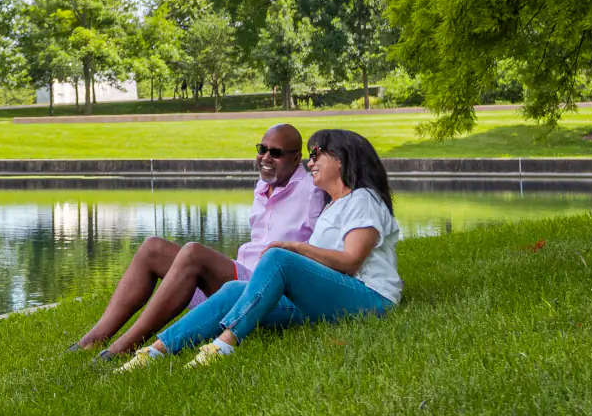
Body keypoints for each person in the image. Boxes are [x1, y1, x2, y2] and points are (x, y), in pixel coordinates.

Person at [117, 127, 402, 371]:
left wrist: (296, 249)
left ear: (341, 159)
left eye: (316, 155)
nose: (310, 162)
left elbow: (352, 261)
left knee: (279, 256)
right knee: (233, 289)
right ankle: (155, 351)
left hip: (370, 298)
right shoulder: (333, 206)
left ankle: (225, 343)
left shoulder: (363, 199)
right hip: (331, 297)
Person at [75, 124, 327, 353]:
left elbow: (325, 249)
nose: (266, 157)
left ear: (297, 158)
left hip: (265, 287)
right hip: (237, 279)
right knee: (152, 248)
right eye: (262, 149)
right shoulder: (263, 186)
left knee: (194, 253)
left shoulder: (312, 191)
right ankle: (91, 340)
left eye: (276, 153)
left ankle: (123, 347)